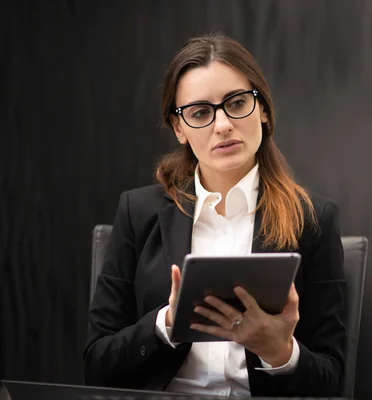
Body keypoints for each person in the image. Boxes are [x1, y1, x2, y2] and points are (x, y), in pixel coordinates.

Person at [83, 33, 347, 398]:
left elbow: (332, 381)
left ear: (264, 109)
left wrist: (280, 353)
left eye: (237, 103)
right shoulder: (138, 213)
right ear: (179, 128)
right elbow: (97, 366)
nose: (222, 125)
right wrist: (166, 324)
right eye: (200, 113)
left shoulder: (313, 219)